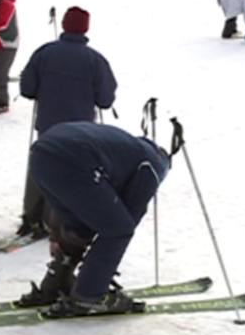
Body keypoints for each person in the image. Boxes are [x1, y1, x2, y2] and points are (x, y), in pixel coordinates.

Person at [20, 122, 171, 316]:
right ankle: (89, 295)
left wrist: (63, 236)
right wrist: (101, 267)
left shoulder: (127, 148)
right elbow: (128, 216)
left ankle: (56, 282)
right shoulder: (153, 165)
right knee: (119, 229)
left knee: (78, 226)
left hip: (41, 155)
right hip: (74, 160)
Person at [17, 6, 117, 238]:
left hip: (48, 124)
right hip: (80, 131)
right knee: (67, 174)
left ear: (63, 25)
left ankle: (31, 218)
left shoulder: (45, 53)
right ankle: (57, 223)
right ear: (85, 29)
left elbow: (26, 87)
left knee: (41, 167)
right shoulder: (95, 60)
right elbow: (105, 100)